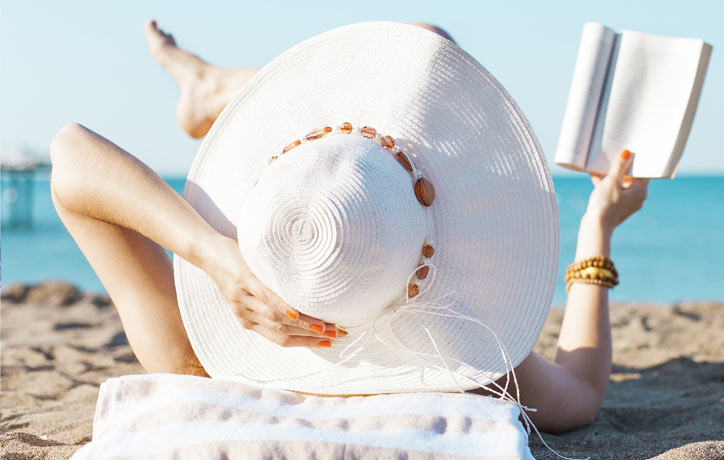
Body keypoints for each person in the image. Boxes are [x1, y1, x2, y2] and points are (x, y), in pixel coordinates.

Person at [49, 20, 648, 434]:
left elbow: (71, 154)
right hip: (350, 291)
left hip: (238, 276)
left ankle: (215, 90)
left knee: (421, 47)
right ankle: (220, 90)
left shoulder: (197, 363)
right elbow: (582, 389)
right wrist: (598, 225)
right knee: (426, 44)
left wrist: (214, 256)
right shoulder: (466, 371)